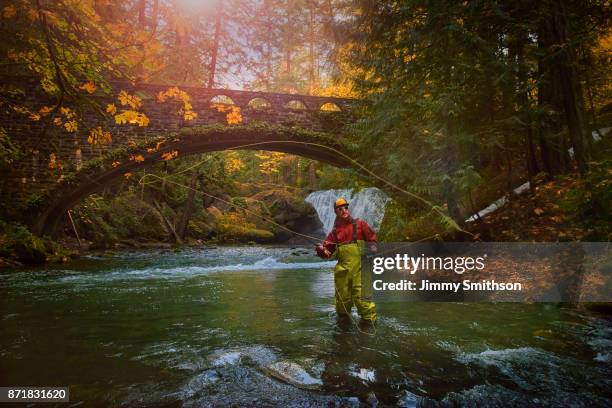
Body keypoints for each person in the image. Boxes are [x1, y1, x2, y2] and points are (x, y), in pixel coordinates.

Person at [315, 198, 377, 325]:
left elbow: (372, 241)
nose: (344, 210)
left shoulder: (360, 224)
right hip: (342, 273)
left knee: (363, 301)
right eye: (340, 209)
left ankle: (370, 326)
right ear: (336, 212)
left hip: (360, 270)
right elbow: (327, 254)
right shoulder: (334, 233)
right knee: (342, 304)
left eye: (346, 208)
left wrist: (373, 248)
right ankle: (343, 330)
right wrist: (321, 250)